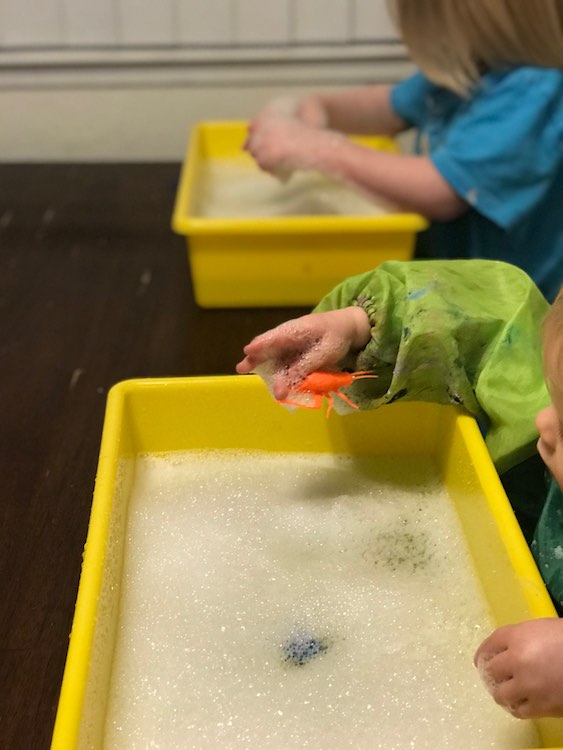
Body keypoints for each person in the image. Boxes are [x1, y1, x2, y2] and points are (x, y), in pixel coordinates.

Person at [236, 258, 563, 718]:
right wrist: (359, 325)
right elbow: (492, 316)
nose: (543, 424)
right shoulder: (544, 409)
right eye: (554, 397)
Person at [244, 0, 563, 301]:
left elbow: (440, 191)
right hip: (463, 282)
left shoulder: (534, 89)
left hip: (522, 305)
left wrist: (318, 148)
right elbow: (387, 106)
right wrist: (320, 107)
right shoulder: (476, 64)